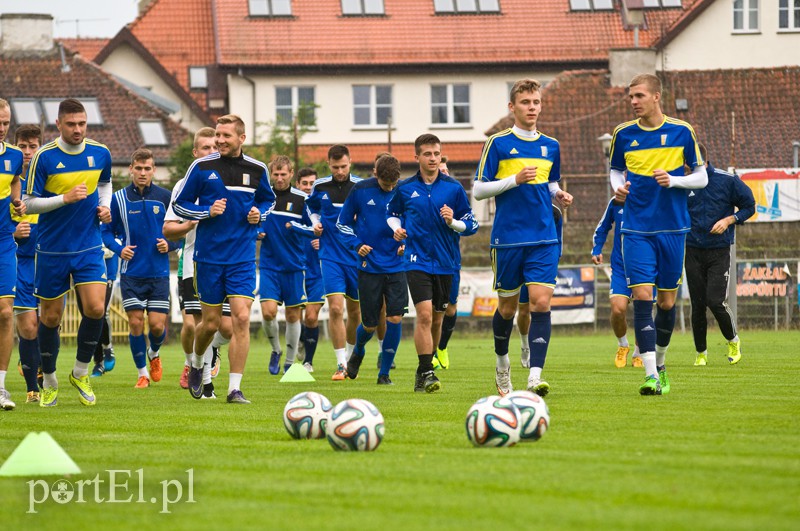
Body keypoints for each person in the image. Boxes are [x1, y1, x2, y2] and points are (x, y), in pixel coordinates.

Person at [473, 79, 573, 398]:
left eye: (536, 102)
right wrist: (513, 180)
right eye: (526, 102)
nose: (532, 107)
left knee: (541, 303)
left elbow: (549, 181)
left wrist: (558, 193)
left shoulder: (551, 145)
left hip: (544, 235)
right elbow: (478, 190)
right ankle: (503, 365)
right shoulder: (499, 144)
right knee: (507, 309)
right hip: (508, 239)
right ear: (512, 107)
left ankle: (535, 375)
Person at [609, 73, 707, 395]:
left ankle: (661, 363)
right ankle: (650, 374)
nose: (633, 101)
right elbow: (614, 170)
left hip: (673, 229)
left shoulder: (682, 131)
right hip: (636, 228)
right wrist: (618, 188)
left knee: (666, 302)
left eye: (638, 96)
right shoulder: (622, 134)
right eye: (630, 97)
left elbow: (702, 177)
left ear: (656, 96)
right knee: (642, 297)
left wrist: (675, 181)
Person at [173, 114, 275, 404]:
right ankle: (195, 362)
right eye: (217, 135)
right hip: (209, 257)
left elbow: (267, 201)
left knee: (241, 318)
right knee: (211, 323)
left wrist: (260, 214)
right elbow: (181, 205)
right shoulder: (201, 167)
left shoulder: (257, 169)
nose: (219, 140)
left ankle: (234, 389)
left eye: (226, 136)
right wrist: (206, 211)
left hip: (242, 256)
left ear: (241, 138)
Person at [23, 98, 113, 408]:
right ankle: (48, 380)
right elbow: (29, 203)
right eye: (72, 124)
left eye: (82, 124)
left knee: (96, 308)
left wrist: (105, 207)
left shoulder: (100, 153)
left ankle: (80, 372)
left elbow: (105, 184)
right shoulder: (44, 158)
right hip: (51, 248)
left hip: (88, 244)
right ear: (59, 124)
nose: (78, 129)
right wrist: (64, 198)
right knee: (50, 317)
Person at [388, 134, 478, 393]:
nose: (433, 158)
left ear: (441, 156)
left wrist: (453, 222)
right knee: (424, 315)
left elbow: (470, 224)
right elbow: (391, 215)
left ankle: (422, 370)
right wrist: (397, 229)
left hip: (446, 262)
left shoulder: (453, 188)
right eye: (427, 154)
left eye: (436, 154)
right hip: (416, 261)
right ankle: (427, 371)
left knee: (438, 320)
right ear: (416, 157)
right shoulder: (404, 189)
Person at [164, 127, 232, 397]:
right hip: (194, 262)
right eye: (205, 148)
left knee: (225, 329)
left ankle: (201, 356)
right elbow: (168, 229)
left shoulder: (233, 178)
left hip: (228, 262)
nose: (212, 152)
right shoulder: (185, 185)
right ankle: (204, 381)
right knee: (198, 325)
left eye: (215, 147)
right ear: (195, 153)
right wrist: (194, 220)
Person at [102, 148, 178, 388]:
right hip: (131, 273)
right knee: (135, 322)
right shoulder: (118, 199)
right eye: (139, 168)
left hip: (159, 273)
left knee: (156, 326)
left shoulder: (166, 197)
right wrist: (118, 249)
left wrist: (171, 244)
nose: (143, 173)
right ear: (131, 169)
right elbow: (106, 232)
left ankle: (154, 353)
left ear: (154, 170)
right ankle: (142, 374)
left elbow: (180, 231)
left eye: (148, 169)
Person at [337, 154, 406, 385]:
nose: (390, 188)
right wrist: (357, 244)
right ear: (375, 174)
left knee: (395, 317)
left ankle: (384, 373)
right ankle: (358, 350)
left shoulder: (404, 191)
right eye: (386, 185)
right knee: (369, 324)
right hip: (369, 266)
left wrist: (406, 243)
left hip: (397, 265)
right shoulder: (360, 190)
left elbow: (414, 223)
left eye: (393, 184)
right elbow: (342, 223)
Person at [686, 143, 755, 366]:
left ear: (700, 160)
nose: (685, 166)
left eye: (688, 161)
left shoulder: (727, 180)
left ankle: (733, 341)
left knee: (714, 301)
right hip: (692, 250)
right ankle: (701, 354)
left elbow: (749, 205)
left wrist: (729, 220)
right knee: (697, 305)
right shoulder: (682, 183)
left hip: (719, 251)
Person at [305, 145, 362, 381]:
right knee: (336, 308)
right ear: (329, 165)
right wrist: (315, 223)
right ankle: (340, 364)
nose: (340, 171)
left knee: (355, 312)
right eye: (335, 167)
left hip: (356, 256)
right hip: (330, 255)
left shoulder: (360, 187)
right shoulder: (320, 187)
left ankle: (350, 357)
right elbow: (311, 208)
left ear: (351, 162)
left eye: (344, 166)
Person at [259, 156, 313, 375]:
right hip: (269, 265)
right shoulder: (262, 196)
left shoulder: (302, 199)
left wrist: (297, 227)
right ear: (271, 174)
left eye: (284, 174)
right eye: (276, 174)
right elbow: (249, 223)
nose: (279, 178)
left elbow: (314, 228)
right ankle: (276, 350)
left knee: (293, 316)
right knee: (268, 312)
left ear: (292, 174)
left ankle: (290, 364)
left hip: (294, 266)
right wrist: (256, 232)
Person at [591, 199, 644, 368]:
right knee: (617, 309)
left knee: (643, 309)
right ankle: (623, 345)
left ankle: (639, 351)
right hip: (620, 267)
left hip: (644, 265)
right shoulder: (616, 201)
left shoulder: (652, 196)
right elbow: (603, 226)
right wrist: (597, 249)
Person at [12, 124, 42, 404]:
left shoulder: (47, 182)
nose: (28, 152)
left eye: (33, 146)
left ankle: (37, 366)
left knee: (49, 324)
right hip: (20, 265)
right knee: (28, 327)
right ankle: (33, 389)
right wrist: (14, 234)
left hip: (49, 263)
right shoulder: (6, 182)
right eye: (23, 146)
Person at [0, 99, 27, 410]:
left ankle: (1, 387)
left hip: (4, 241)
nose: (2, 128)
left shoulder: (15, 156)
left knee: (6, 312)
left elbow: (16, 181)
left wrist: (18, 202)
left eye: (6, 123)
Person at [517, 204, 565, 369]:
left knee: (539, 306)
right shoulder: (523, 206)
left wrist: (552, 262)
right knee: (523, 310)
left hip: (542, 263)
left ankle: (535, 361)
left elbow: (559, 241)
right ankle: (525, 345)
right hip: (521, 260)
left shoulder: (555, 212)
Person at [294, 167, 324, 373]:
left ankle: (308, 362)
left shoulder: (322, 207)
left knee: (312, 316)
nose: (308, 188)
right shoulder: (291, 205)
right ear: (297, 184)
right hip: (295, 268)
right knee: (295, 316)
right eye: (304, 183)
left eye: (312, 184)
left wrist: (323, 241)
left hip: (317, 271)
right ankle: (302, 338)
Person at [433, 155, 458, 370]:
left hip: (451, 260)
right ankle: (430, 353)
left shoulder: (455, 195)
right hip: (426, 261)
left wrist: (454, 221)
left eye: (446, 170)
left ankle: (442, 347)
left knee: (450, 309)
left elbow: (469, 223)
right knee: (431, 310)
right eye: (440, 170)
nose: (444, 173)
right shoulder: (424, 196)